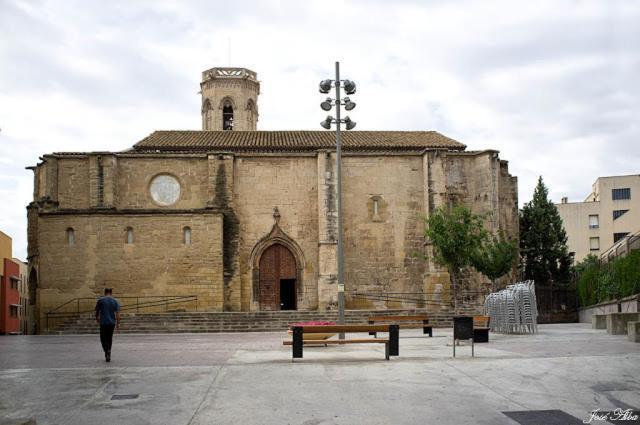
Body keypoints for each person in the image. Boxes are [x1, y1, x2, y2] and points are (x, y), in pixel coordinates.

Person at [95, 288, 121, 362]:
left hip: (103, 322)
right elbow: (118, 314)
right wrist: (118, 323)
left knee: (103, 338)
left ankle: (107, 350)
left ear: (105, 292)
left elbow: (97, 311)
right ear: (111, 292)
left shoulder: (100, 300)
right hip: (112, 322)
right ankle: (108, 352)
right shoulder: (115, 301)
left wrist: (97, 318)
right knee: (109, 338)